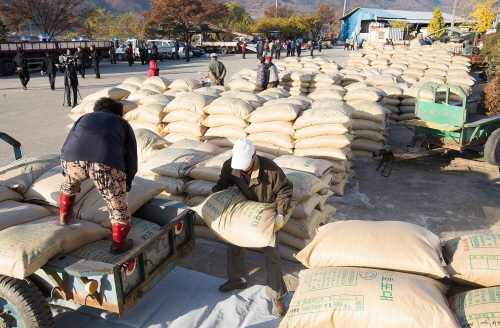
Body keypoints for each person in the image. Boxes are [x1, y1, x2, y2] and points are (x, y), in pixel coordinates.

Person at [211, 138, 293, 317]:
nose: (242, 169)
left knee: (271, 253)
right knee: (233, 243)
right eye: (239, 166)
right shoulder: (231, 165)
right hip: (246, 207)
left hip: (266, 209)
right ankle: (238, 280)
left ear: (254, 155)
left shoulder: (270, 169)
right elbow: (224, 182)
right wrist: (215, 195)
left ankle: (277, 296)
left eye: (246, 165)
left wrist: (280, 214)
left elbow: (285, 190)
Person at [59, 97, 138, 254]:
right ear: (119, 113)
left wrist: (66, 170)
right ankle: (118, 245)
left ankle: (64, 218)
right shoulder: (122, 124)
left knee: (69, 185)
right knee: (116, 204)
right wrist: (126, 183)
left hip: (73, 159)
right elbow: (131, 157)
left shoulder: (84, 118)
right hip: (105, 163)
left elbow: (68, 143)